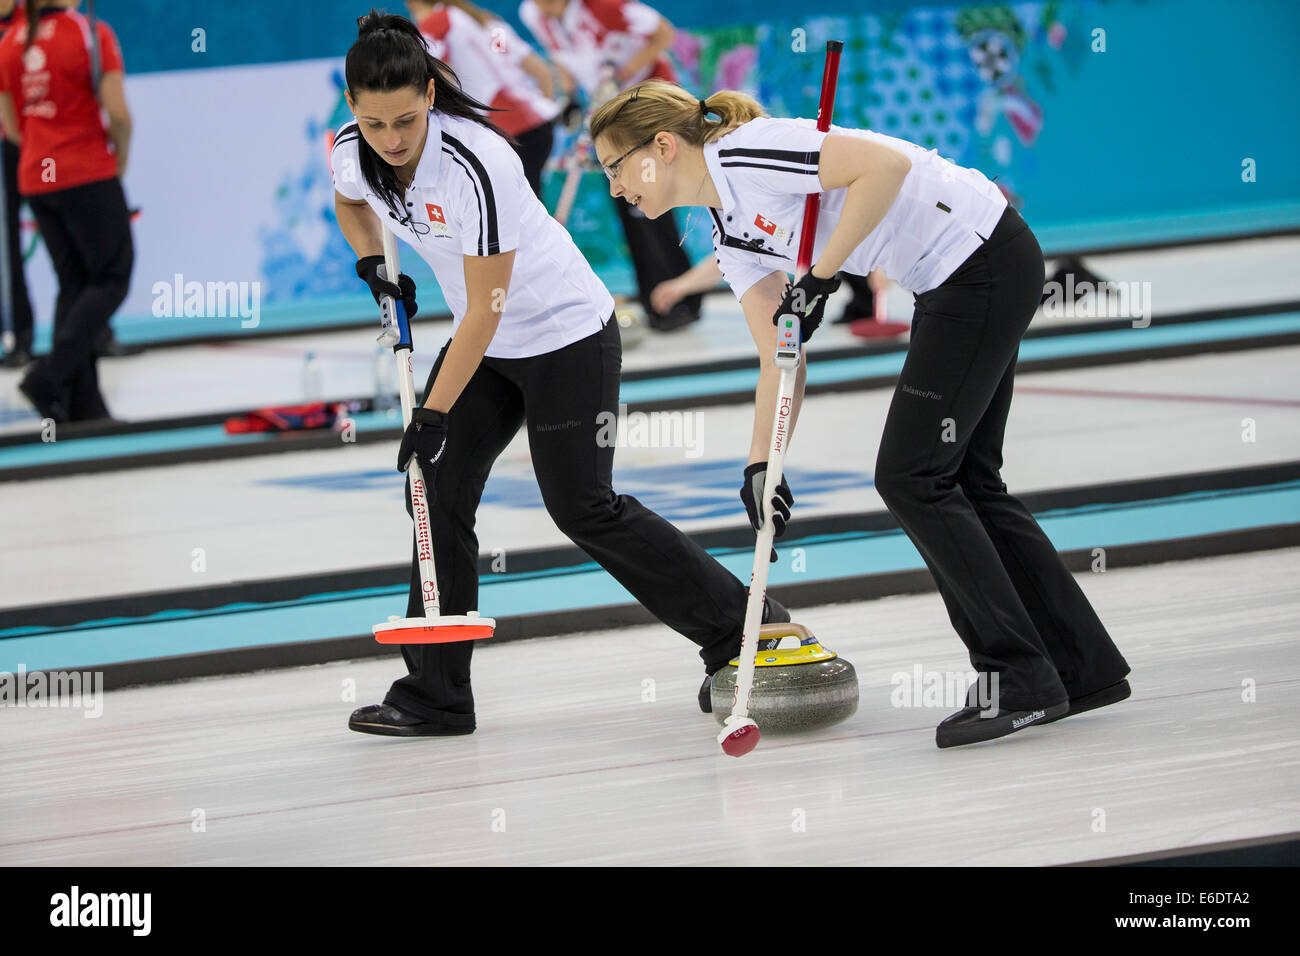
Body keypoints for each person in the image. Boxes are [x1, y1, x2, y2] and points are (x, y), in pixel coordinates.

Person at [591, 81, 1132, 749]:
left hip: (980, 258)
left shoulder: (750, 152)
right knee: (966, 480)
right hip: (953, 276)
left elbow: (886, 166)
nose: (615, 188)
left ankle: (1018, 675)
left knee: (914, 477)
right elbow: (779, 358)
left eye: (616, 168)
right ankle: (1081, 666)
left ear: (663, 147)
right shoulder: (730, 230)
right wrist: (764, 464)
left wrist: (820, 276)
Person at [332, 13, 784, 737]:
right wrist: (372, 266)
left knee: (582, 505)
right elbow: (352, 203)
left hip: (564, 332)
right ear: (352, 106)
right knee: (436, 492)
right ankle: (436, 694)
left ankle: (745, 634)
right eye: (375, 121)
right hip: (492, 341)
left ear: (430, 94)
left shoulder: (476, 161)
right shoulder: (354, 149)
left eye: (407, 120)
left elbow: (487, 306)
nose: (391, 139)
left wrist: (432, 415)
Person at [519, 0, 701, 332]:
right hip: (609, 109)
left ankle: (681, 300)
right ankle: (654, 301)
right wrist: (571, 96)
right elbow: (560, 54)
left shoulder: (603, 6)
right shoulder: (532, 14)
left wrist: (623, 74)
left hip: (647, 101)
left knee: (652, 206)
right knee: (627, 204)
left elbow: (663, 34)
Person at [0, 0, 132, 422]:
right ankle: (50, 375)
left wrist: (43, 150)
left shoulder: (9, 42)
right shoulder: (91, 34)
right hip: (86, 169)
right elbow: (119, 116)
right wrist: (119, 157)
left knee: (74, 284)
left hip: (37, 174)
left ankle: (83, 404)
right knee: (112, 275)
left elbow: (12, 124)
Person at [406, 0, 561, 198]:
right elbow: (541, 72)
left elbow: (443, 80)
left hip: (507, 133)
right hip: (539, 125)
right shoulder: (487, 23)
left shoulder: (434, 25)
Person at [0, 0, 33, 368]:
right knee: (6, 245)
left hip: (38, 146)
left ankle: (94, 333)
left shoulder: (36, 22)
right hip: (7, 145)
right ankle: (17, 338)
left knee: (71, 241)